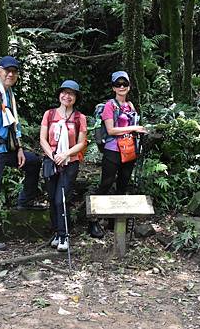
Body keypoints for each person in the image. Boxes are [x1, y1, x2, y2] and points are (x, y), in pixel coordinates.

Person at [0, 55, 41, 251]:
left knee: (33, 162)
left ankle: (25, 201)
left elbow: (13, 123)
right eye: (7, 70)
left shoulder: (8, 92)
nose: (10, 74)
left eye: (14, 71)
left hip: (7, 148)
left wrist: (19, 148)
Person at [89, 71, 147, 238]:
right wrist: (134, 128)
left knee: (122, 185)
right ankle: (93, 221)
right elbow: (111, 130)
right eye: (118, 84)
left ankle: (115, 221)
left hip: (129, 151)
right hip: (113, 150)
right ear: (113, 87)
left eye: (125, 84)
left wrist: (139, 131)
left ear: (129, 86)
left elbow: (133, 125)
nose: (122, 87)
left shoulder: (131, 106)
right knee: (106, 184)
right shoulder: (110, 105)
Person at [40, 80, 87, 252]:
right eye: (64, 92)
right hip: (50, 161)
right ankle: (56, 233)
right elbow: (42, 139)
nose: (67, 96)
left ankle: (64, 235)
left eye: (71, 94)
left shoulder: (79, 118)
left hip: (70, 162)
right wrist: (53, 156)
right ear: (59, 94)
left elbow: (82, 143)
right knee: (52, 199)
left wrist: (65, 154)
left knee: (62, 199)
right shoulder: (49, 114)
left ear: (75, 98)